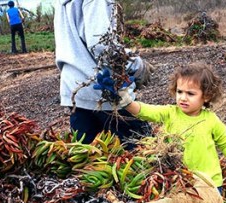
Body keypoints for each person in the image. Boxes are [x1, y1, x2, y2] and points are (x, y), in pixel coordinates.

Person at [115, 63, 226, 203]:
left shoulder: (211, 120)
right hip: (178, 180)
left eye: (190, 94)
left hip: (209, 182)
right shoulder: (169, 113)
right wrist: (126, 101)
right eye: (179, 92)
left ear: (206, 96)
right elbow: (144, 111)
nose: (183, 98)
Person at [53, 0, 153, 148]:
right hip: (106, 88)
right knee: (143, 154)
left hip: (75, 91)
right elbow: (102, 46)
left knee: (88, 161)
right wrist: (138, 65)